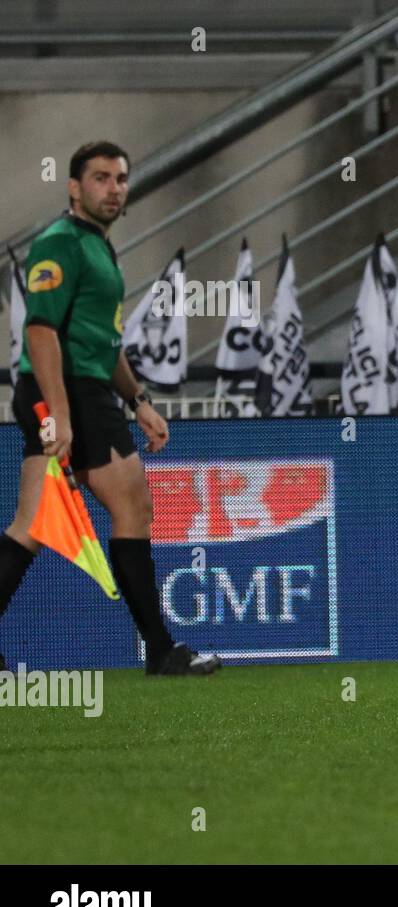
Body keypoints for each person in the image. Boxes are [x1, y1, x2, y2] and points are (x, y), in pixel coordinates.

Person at [0, 141, 219, 676]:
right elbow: (41, 331)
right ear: (74, 187)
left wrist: (138, 399)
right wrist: (62, 415)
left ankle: (161, 650)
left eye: (121, 178)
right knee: (134, 506)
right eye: (100, 178)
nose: (114, 188)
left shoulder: (98, 247)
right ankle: (161, 651)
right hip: (67, 391)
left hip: (81, 390)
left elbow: (103, 340)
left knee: (32, 524)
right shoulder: (59, 243)